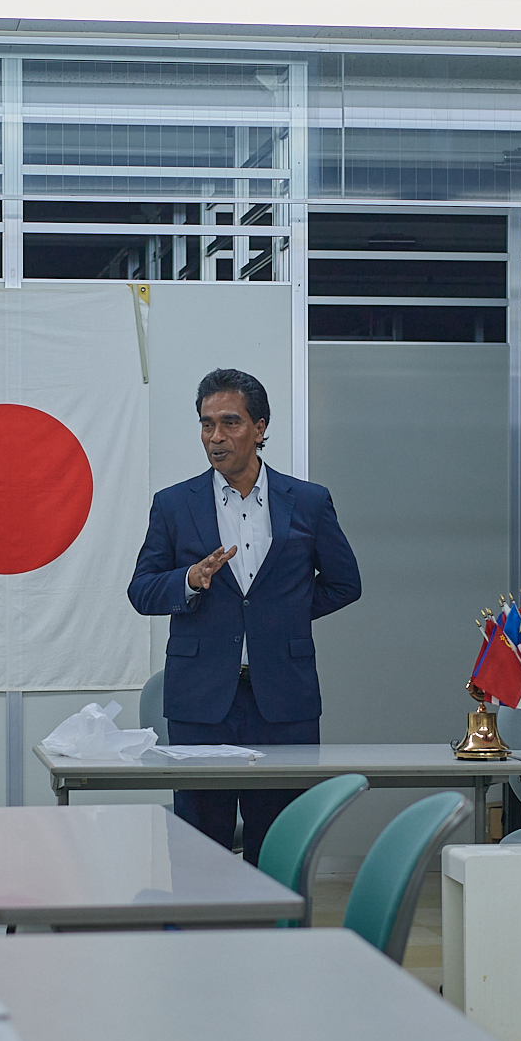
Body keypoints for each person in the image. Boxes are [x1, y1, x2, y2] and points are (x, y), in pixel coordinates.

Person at [128, 369, 361, 863]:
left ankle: (280, 941)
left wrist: (282, 616)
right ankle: (199, 939)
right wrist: (188, 581)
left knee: (280, 845)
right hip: (201, 700)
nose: (216, 437)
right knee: (198, 847)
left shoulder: (309, 502)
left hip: (283, 698)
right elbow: (141, 591)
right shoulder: (173, 505)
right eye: (206, 424)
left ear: (260, 427)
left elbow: (345, 583)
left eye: (230, 423)